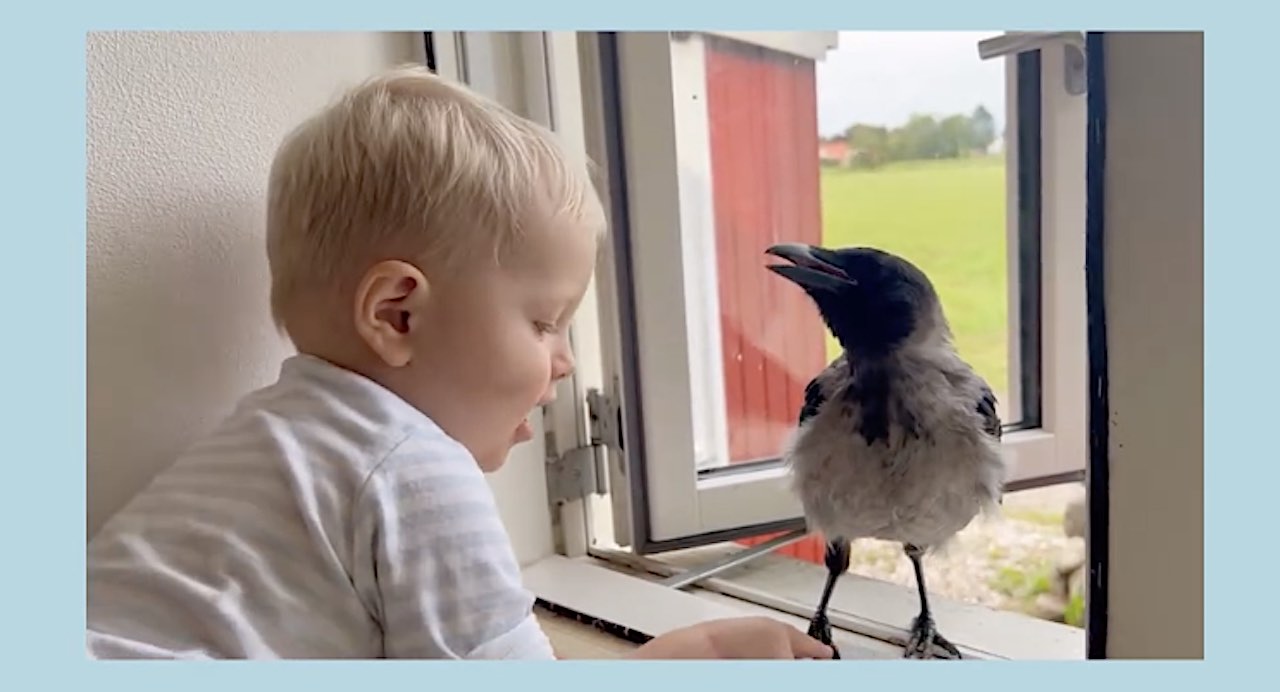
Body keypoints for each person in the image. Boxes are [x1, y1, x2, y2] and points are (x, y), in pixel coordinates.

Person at [85, 64, 835, 661]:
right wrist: (682, 658)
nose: (565, 362)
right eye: (544, 322)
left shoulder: (268, 438)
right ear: (396, 315)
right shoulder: (412, 467)